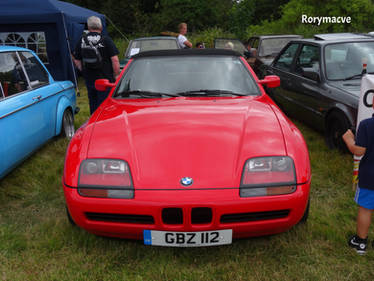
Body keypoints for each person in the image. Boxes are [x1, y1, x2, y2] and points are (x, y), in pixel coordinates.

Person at [342, 94, 374, 255]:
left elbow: (359, 151)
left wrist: (348, 139)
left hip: (370, 177)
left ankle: (360, 242)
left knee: (366, 209)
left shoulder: (367, 125)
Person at [73, 16, 120, 114]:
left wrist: (83, 71)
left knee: (93, 104)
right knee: (105, 105)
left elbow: (77, 60)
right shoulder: (106, 40)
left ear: (89, 28)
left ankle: (93, 124)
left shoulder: (82, 40)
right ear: (101, 27)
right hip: (105, 80)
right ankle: (105, 123)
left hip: (90, 79)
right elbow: (115, 60)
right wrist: (116, 75)